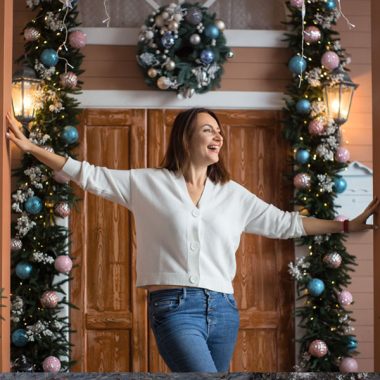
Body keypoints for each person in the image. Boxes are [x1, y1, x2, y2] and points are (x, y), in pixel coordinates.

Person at [6, 108, 379, 372]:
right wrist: (32, 148)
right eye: (207, 129)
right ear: (185, 137)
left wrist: (347, 226)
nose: (218, 136)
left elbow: (287, 223)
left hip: (224, 312)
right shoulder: (148, 183)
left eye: (219, 131)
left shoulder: (233, 194)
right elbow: (89, 175)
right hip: (174, 307)